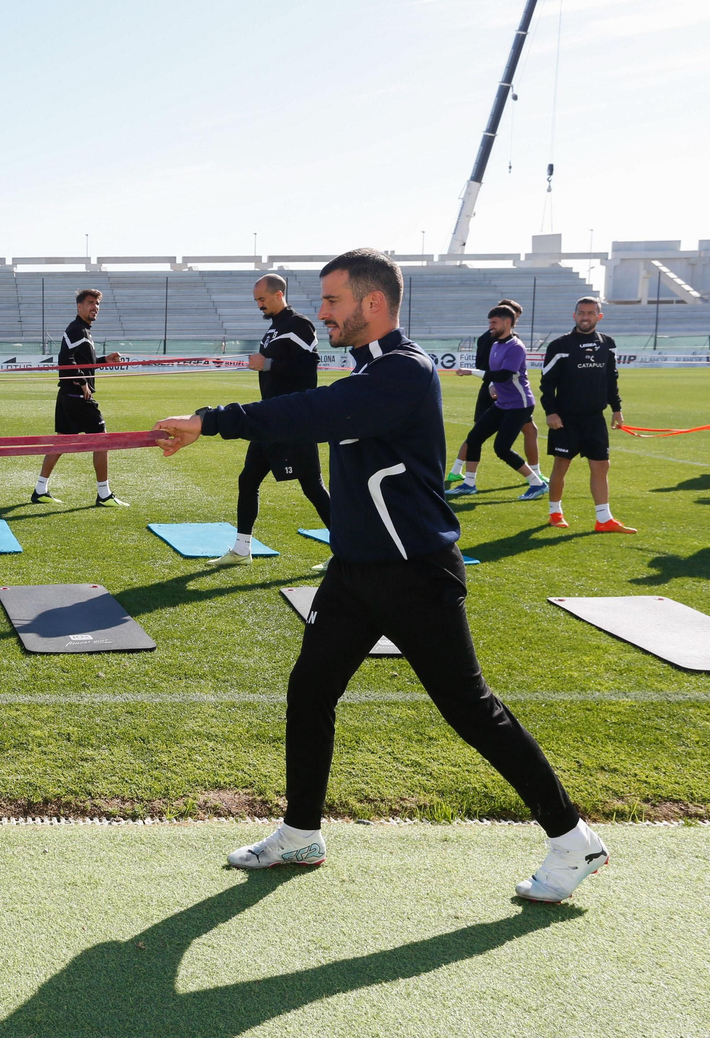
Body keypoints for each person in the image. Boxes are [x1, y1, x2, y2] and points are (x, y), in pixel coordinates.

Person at [153, 249, 607, 903]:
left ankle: (572, 840)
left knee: (470, 710)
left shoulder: (403, 371)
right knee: (310, 692)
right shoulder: (371, 368)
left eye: (332, 301)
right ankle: (301, 831)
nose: (322, 312)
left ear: (371, 303)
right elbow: (317, 407)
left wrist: (211, 421)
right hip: (356, 572)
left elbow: (312, 412)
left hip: (414, 573)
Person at [207, 274, 332, 567]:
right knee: (248, 480)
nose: (259, 305)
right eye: (256, 301)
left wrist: (269, 364)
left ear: (278, 294)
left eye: (262, 299)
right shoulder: (274, 329)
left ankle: (347, 551)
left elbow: (310, 365)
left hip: (294, 419)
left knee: (312, 486)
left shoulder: (299, 324)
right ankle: (241, 549)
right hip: (269, 418)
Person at [541, 297, 634, 532]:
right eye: (581, 312)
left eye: (591, 313)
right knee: (562, 464)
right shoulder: (559, 345)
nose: (585, 317)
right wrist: (551, 412)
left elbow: (611, 380)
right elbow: (546, 383)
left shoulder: (607, 344)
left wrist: (616, 409)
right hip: (565, 418)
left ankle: (604, 519)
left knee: (602, 466)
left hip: (595, 418)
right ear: (574, 316)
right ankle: (555, 513)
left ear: (599, 316)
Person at [32, 289, 127, 507]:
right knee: (102, 439)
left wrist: (104, 360)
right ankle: (104, 494)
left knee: (61, 442)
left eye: (97, 304)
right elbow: (66, 359)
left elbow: (82, 361)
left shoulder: (83, 330)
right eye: (90, 303)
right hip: (76, 395)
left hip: (68, 394)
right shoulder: (77, 329)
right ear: (79, 307)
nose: (95, 307)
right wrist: (83, 382)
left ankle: (40, 489)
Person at [445, 302, 547, 501]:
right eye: (490, 322)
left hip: (520, 405)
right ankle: (469, 484)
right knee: (474, 438)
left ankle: (537, 483)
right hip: (502, 404)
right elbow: (495, 376)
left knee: (502, 448)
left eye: (494, 322)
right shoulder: (495, 344)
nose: (490, 326)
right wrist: (491, 384)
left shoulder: (515, 347)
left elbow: (504, 375)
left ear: (507, 322)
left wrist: (471, 372)